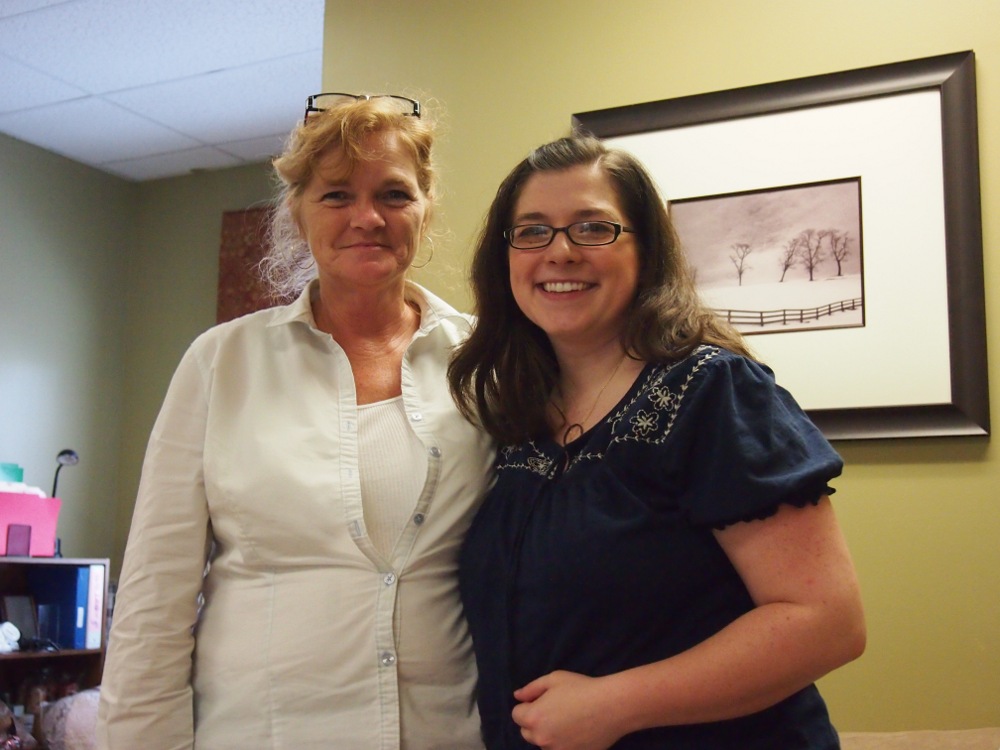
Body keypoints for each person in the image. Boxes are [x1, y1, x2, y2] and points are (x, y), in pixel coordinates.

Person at [97, 94, 494, 750]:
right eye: (337, 194)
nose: (367, 217)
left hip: (444, 731)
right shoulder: (221, 362)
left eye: (394, 194)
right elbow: (153, 598)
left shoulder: (485, 362)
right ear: (297, 210)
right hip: (259, 733)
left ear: (426, 207)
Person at [448, 135, 866, 750]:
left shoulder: (710, 392)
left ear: (646, 248)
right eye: (532, 231)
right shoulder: (516, 415)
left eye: (593, 228)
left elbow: (826, 623)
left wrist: (614, 704)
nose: (560, 252)